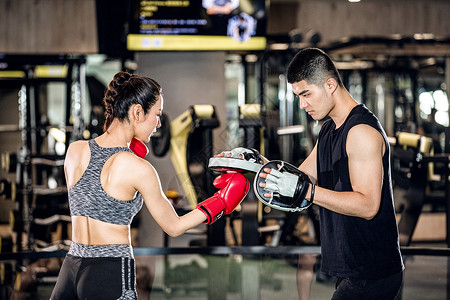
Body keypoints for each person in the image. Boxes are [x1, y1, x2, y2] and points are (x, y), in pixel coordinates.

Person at [222, 48, 405, 299]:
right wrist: (254, 164)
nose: (302, 104)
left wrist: (307, 192)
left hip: (372, 271)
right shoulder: (330, 128)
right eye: (298, 95)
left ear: (330, 85)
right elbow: (301, 176)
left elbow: (368, 205)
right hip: (353, 269)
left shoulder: (361, 132)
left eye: (306, 94)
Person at [50, 71, 250, 300]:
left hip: (71, 268)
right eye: (157, 114)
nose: (159, 124)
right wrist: (222, 201)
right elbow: (174, 226)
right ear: (137, 112)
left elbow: (93, 194)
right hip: (109, 270)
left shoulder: (75, 151)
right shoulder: (138, 168)